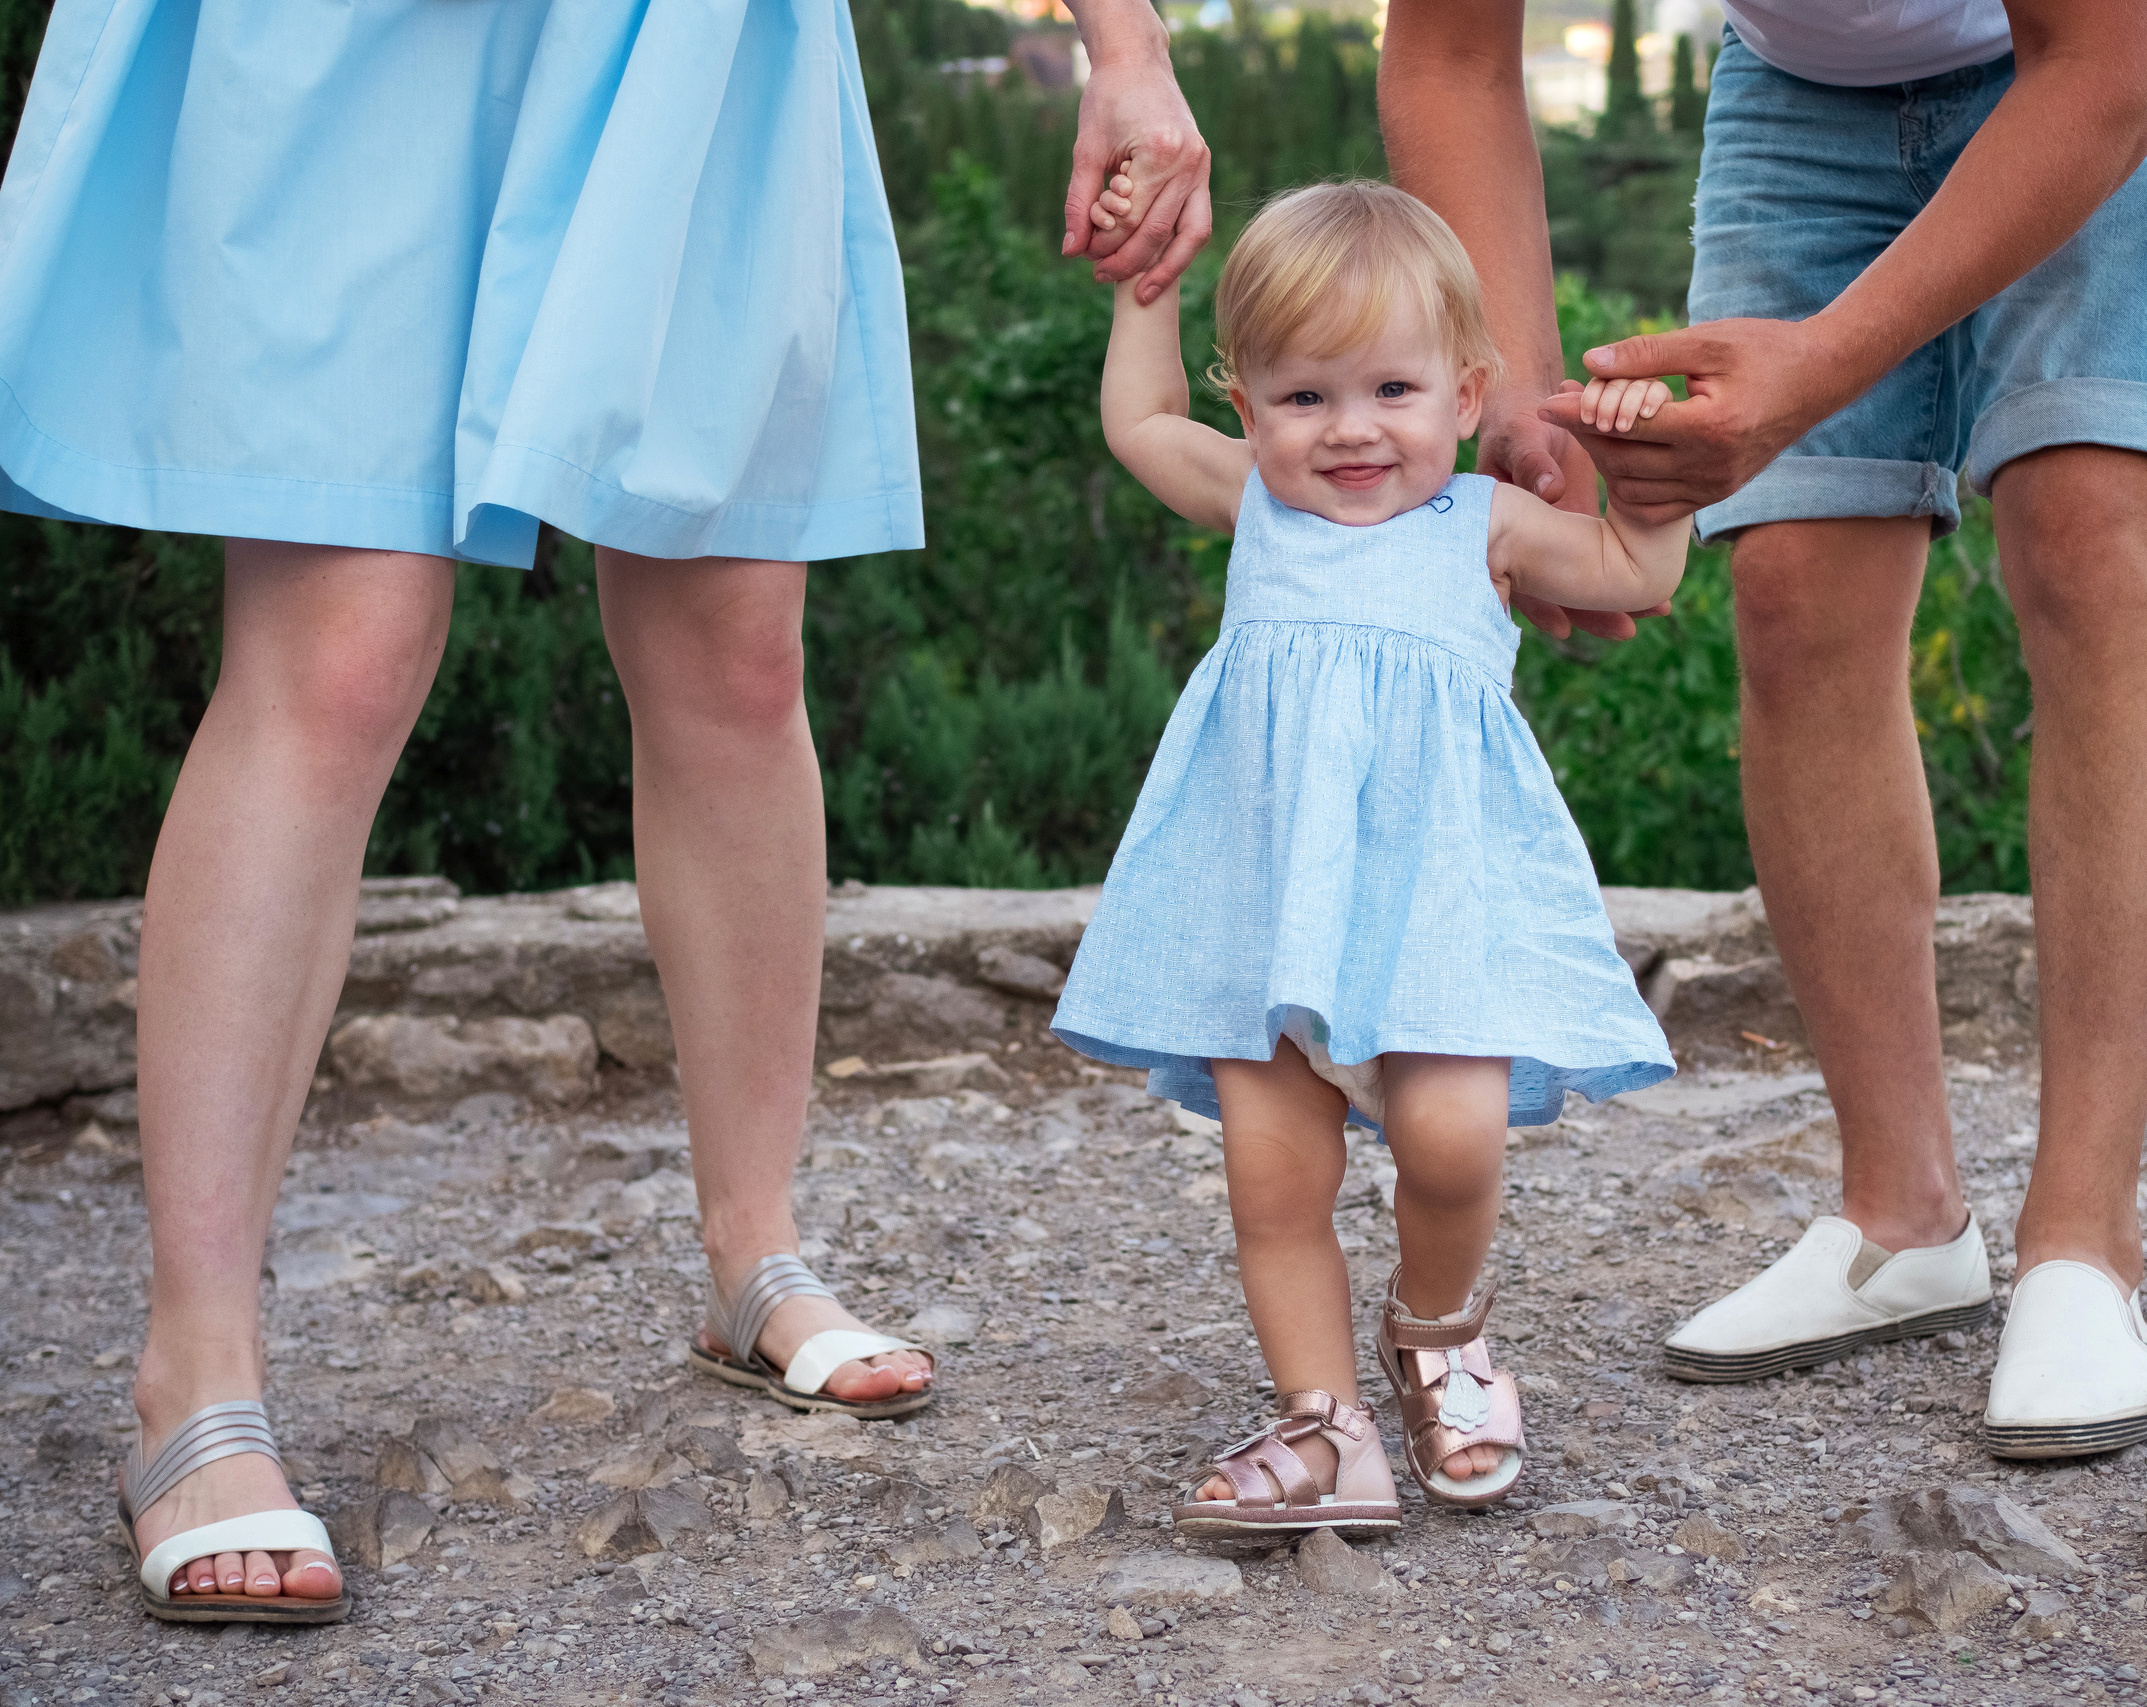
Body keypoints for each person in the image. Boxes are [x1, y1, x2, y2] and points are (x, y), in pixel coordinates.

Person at [0, 0, 947, 1622]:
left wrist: (1125, 44)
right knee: (343, 642)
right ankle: (194, 1372)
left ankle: (755, 1249)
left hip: (692, 36)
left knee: (735, 638)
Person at [1382, 0, 2147, 1456]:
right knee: (1792, 585)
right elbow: (1451, 54)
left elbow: (2101, 70)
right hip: (1808, 98)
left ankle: (2083, 1242)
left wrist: (1816, 368)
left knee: (2091, 527)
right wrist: (1519, 407)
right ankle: (1902, 1215)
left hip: (2107, 69)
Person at [1050, 178, 1684, 1536]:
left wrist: (1656, 472)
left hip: (1436, 911)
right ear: (1249, 404)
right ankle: (1327, 1430)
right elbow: (1137, 422)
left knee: (1452, 1142)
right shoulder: (1257, 507)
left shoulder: (1483, 526)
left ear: (1465, 398)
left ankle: (1438, 1330)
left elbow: (1637, 572)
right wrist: (1141, 282)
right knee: (1272, 1180)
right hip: (1262, 906)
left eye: (1391, 390)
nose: (1348, 431)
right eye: (1303, 397)